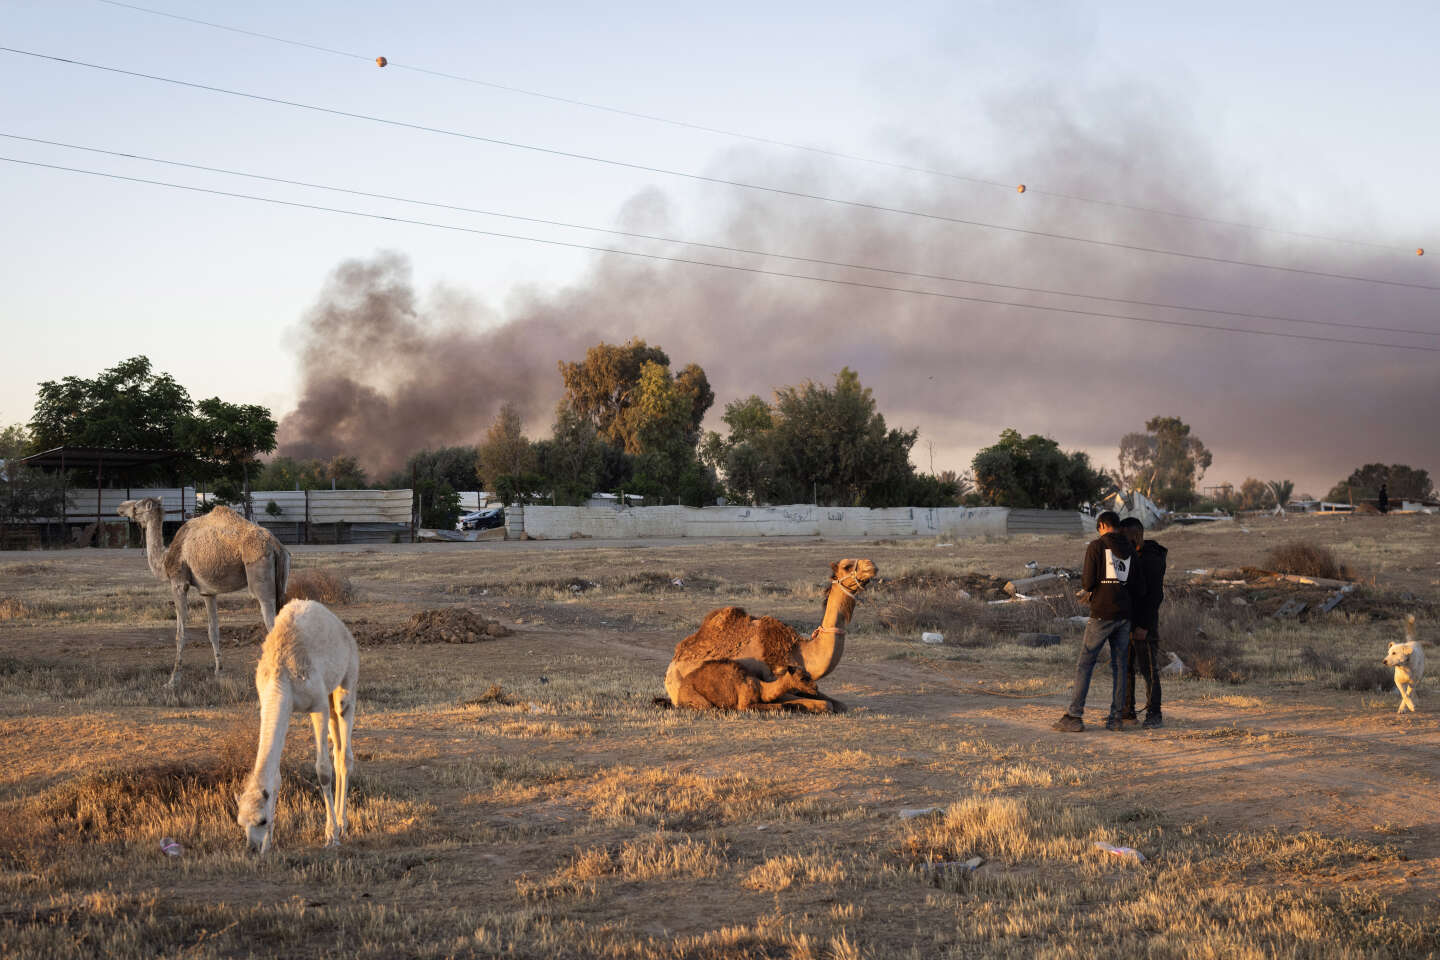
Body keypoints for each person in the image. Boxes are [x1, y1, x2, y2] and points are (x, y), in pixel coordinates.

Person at [1054, 510, 1142, 733]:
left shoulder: (1096, 546)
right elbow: (1138, 587)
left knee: (1085, 664)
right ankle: (1115, 719)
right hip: (1124, 615)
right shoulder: (1131, 549)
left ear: (1103, 525)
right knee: (1120, 667)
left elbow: (1088, 581)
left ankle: (1074, 715)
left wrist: (1093, 592)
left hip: (1102, 613)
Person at [1118, 517, 1167, 728]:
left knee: (1149, 670)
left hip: (1143, 626)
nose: (1122, 541)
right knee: (1126, 668)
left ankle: (1154, 714)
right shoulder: (1129, 557)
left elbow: (1155, 596)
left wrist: (1144, 626)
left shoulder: (1150, 559)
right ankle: (1127, 711)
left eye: (1125, 537)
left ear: (1137, 535)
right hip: (1126, 623)